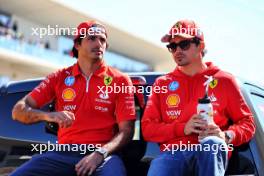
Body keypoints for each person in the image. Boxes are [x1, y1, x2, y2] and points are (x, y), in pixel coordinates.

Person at [11, 20, 136, 176]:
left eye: (102, 40)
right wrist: (48, 116)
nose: (98, 44)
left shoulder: (120, 80)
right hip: (62, 153)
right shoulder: (59, 77)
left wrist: (100, 153)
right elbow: (18, 111)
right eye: (91, 38)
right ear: (77, 45)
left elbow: (127, 131)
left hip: (104, 155)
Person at [141, 19, 255, 176]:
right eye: (172, 46)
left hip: (210, 149)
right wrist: (183, 128)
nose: (177, 50)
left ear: (200, 46)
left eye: (184, 44)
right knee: (161, 163)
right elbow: (147, 129)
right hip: (174, 153)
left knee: (213, 143)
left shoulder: (224, 80)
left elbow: (248, 123)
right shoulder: (162, 83)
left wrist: (226, 135)